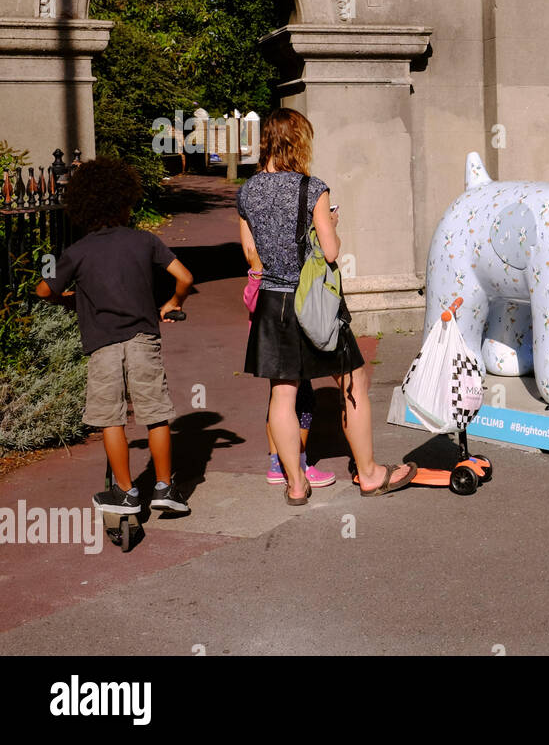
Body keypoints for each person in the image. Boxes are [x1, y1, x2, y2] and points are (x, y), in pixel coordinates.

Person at [237, 108, 414, 505]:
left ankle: (296, 484)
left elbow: (251, 252)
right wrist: (332, 223)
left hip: (272, 304)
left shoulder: (247, 192)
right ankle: (369, 473)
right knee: (353, 381)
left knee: (283, 393)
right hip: (312, 303)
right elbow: (330, 253)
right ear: (298, 142)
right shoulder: (312, 188)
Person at [35, 157, 193, 516]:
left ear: (84, 206)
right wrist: (172, 302)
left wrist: (68, 297)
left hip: (103, 343)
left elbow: (44, 290)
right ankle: (165, 488)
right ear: (125, 199)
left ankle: (126, 492)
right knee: (155, 414)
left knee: (111, 418)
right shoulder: (144, 241)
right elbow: (185, 277)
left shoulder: (78, 252)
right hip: (143, 339)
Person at [241, 245, 335, 487]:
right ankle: (299, 462)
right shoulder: (275, 275)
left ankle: (276, 463)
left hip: (267, 342)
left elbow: (250, 303)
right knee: (302, 400)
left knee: (278, 400)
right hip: (287, 338)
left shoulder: (258, 274)